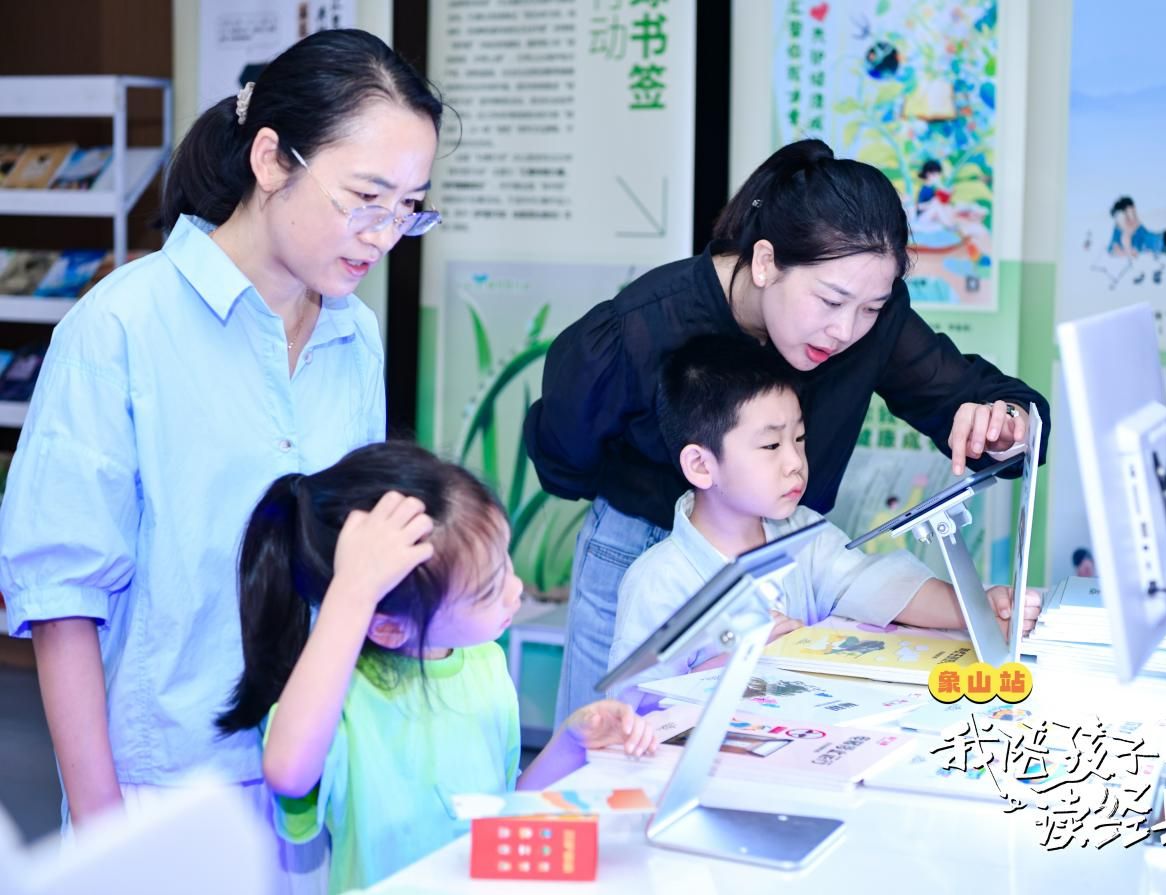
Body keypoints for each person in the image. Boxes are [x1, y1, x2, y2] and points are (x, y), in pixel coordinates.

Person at [0, 27, 443, 887]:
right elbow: (61, 603)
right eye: (365, 198)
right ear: (272, 159)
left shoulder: (354, 335)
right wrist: (105, 841)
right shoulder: (121, 327)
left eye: (408, 208)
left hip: (314, 770)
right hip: (163, 789)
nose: (385, 234)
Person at [524, 138, 1050, 722]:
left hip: (785, 547)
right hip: (639, 548)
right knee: (607, 738)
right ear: (765, 262)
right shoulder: (641, 327)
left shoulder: (867, 322)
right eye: (830, 301)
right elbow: (563, 455)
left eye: (871, 307)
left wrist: (1005, 424)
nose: (846, 330)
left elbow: (974, 397)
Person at [216, 441, 654, 893]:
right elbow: (287, 771)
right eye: (488, 589)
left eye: (505, 562)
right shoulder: (340, 702)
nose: (516, 589)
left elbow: (501, 810)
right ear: (390, 628)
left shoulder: (486, 663)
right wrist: (354, 590)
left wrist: (571, 743)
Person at [608, 336, 1040, 700]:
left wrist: (977, 608)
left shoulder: (801, 533)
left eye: (799, 438)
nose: (795, 462)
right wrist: (734, 663)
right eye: (771, 446)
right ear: (702, 465)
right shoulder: (658, 582)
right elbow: (633, 708)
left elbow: (873, 585)